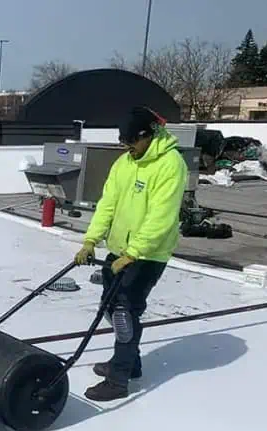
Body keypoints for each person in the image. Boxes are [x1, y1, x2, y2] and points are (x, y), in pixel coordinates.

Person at [74, 107, 187, 402]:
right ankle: (131, 363)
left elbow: (161, 217)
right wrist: (90, 241)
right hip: (119, 248)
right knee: (109, 306)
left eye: (132, 143)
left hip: (149, 254)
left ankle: (119, 378)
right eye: (124, 144)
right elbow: (107, 204)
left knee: (124, 310)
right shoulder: (124, 163)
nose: (128, 149)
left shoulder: (170, 165)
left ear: (149, 135)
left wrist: (135, 252)